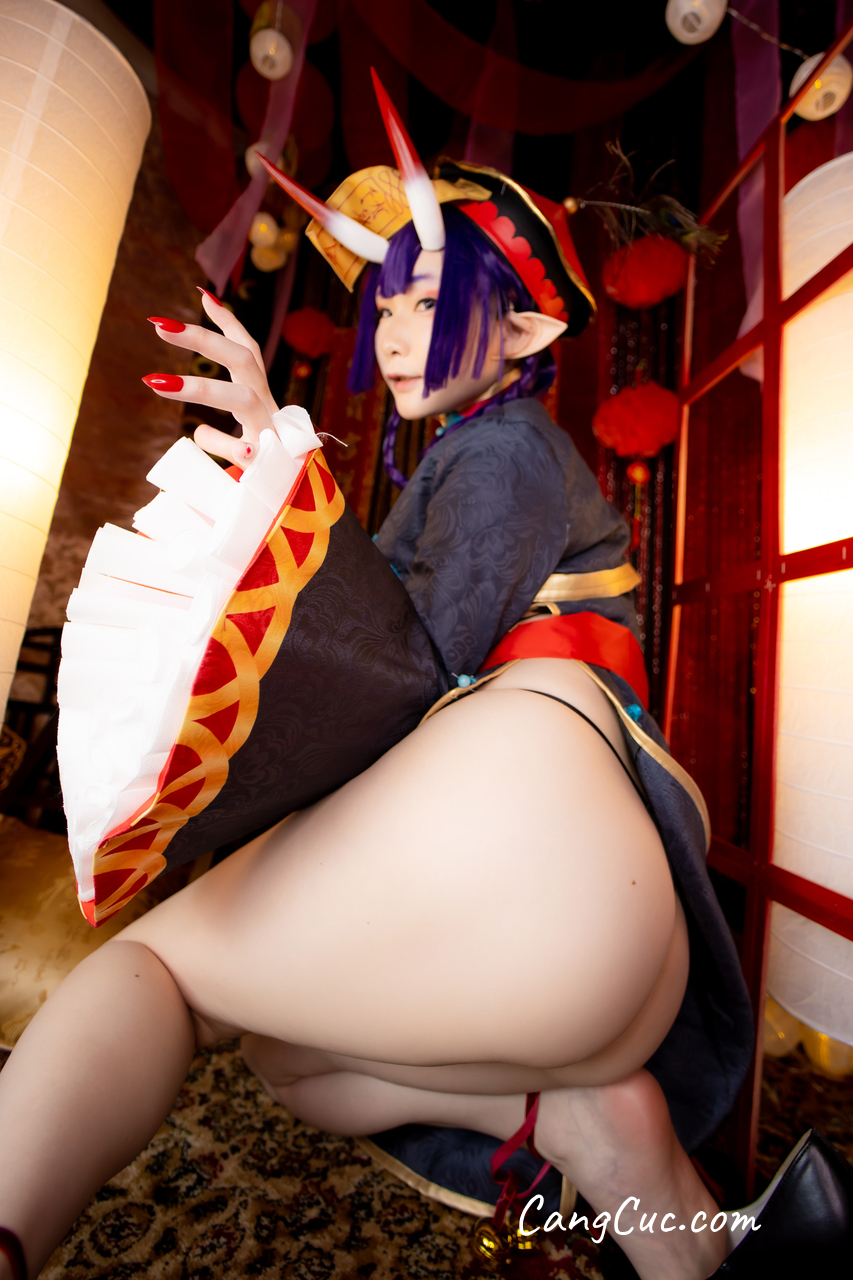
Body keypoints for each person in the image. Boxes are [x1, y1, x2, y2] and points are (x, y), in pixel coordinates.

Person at [0, 78, 847, 1280]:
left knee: (160, 972)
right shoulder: (481, 454)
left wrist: (279, 442)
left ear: (529, 334)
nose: (394, 332)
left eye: (432, 300)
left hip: (529, 807)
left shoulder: (503, 453)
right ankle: (589, 1129)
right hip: (604, 919)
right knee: (287, 1055)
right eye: (386, 303)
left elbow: (405, 672)